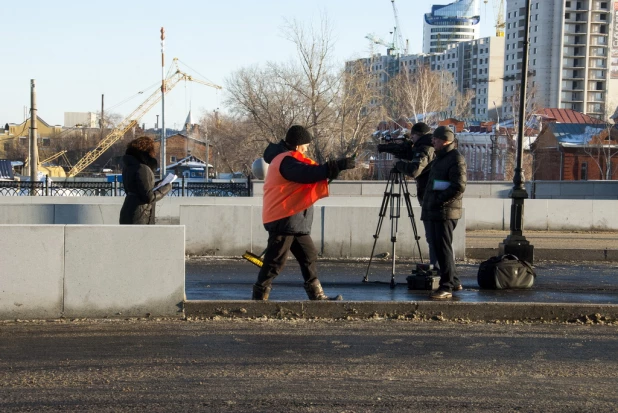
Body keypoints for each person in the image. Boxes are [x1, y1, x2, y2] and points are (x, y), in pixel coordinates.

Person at [252, 125, 356, 301]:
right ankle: (259, 298)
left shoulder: (287, 160)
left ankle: (317, 295)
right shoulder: (286, 161)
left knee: (309, 256)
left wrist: (334, 168)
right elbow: (308, 174)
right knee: (274, 262)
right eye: (306, 145)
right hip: (284, 218)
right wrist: (336, 165)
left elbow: (312, 174)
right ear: (299, 144)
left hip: (294, 220)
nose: (307, 148)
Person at [421, 126, 467, 300]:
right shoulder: (441, 158)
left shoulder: (455, 159)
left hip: (444, 211)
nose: (433, 142)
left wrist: (439, 200)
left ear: (446, 141)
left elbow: (459, 186)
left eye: (436, 139)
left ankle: (446, 286)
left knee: (443, 248)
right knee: (439, 247)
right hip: (435, 210)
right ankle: (453, 281)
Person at [393, 122, 438, 269]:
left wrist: (399, 164)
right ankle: (438, 269)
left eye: (412, 136)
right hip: (429, 195)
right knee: (434, 237)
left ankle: (437, 270)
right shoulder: (427, 146)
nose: (411, 139)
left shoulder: (425, 148)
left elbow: (414, 170)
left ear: (417, 135)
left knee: (433, 237)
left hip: (430, 197)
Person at [119, 136, 172, 225]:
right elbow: (149, 197)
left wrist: (158, 185)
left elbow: (138, 189)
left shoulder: (129, 166)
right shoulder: (142, 168)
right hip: (141, 215)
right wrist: (166, 188)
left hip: (128, 211)